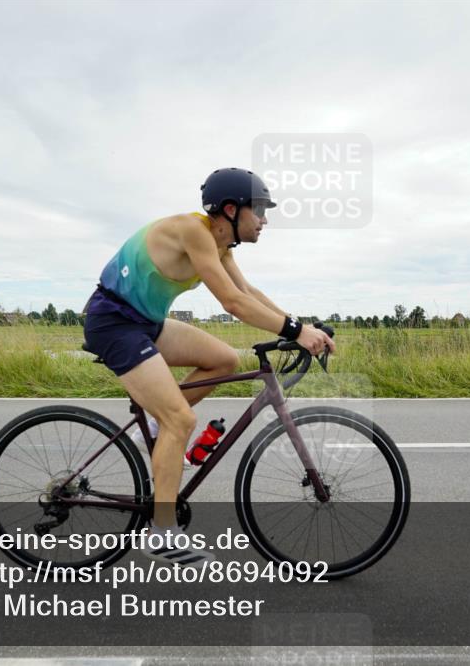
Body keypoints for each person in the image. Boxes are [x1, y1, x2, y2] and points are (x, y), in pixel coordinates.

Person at [83, 168, 335, 566]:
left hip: (144, 322)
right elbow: (231, 305)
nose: (265, 219)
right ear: (232, 210)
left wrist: (300, 325)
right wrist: (296, 331)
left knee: (223, 359)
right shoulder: (194, 231)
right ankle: (162, 534)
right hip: (114, 323)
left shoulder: (222, 247)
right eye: (260, 210)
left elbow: (247, 292)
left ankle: (153, 423)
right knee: (180, 421)